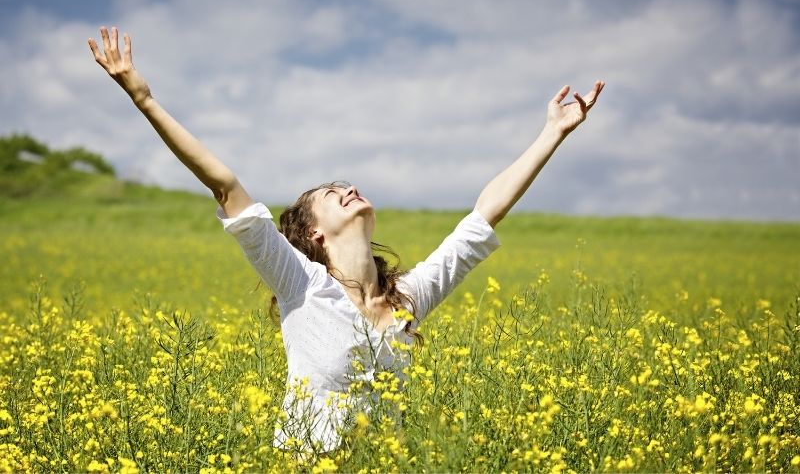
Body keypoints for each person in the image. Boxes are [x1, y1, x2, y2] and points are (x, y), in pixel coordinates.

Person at [88, 26, 605, 455]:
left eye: (349, 187)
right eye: (333, 195)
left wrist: (552, 133)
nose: (350, 191)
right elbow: (224, 184)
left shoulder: (409, 298)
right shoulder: (300, 283)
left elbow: (482, 219)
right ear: (314, 233)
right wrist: (144, 98)